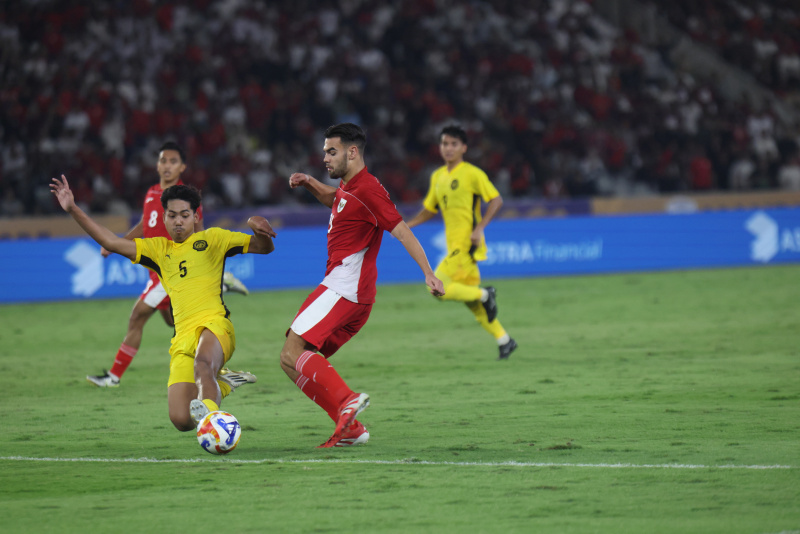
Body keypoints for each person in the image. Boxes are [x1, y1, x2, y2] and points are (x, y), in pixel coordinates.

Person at [51, 177, 277, 431]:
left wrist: (259, 228)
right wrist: (72, 209)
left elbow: (264, 248)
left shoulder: (213, 239)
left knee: (203, 364)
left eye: (184, 215)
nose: (178, 221)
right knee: (181, 419)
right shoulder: (158, 250)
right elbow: (110, 242)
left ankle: (215, 425)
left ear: (195, 217)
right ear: (164, 218)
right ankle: (223, 383)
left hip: (215, 326)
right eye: (172, 215)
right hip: (182, 338)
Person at [283, 123, 444, 448]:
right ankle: (352, 428)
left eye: (332, 151)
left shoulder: (369, 190)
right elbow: (336, 199)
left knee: (292, 351)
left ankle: (347, 399)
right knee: (294, 360)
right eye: (325, 152)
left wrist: (428, 272)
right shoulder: (350, 187)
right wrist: (310, 182)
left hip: (344, 287)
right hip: (353, 293)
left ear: (352, 152)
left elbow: (401, 231)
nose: (325, 158)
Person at [86, 141, 252, 388]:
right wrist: (120, 242)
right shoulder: (153, 193)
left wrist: (202, 267)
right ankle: (217, 369)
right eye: (163, 160)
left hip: (172, 269)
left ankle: (113, 377)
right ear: (157, 164)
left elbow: (200, 235)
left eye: (173, 161)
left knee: (137, 317)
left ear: (182, 167)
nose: (167, 166)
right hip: (155, 270)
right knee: (174, 322)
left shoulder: (184, 198)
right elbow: (146, 224)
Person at [406, 125, 517, 360]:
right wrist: (407, 225)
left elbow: (496, 200)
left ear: (464, 148)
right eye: (445, 143)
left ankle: (486, 293)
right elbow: (429, 209)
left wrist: (480, 227)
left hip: (466, 245)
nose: (448, 148)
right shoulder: (438, 176)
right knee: (474, 304)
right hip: (455, 246)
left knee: (435, 286)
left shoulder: (472, 173)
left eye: (454, 144)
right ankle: (505, 340)